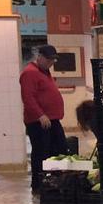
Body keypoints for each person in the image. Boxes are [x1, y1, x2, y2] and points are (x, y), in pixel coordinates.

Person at [20, 45, 67, 193]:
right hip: (39, 121)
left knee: (58, 150)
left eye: (53, 59)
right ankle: (38, 185)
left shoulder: (45, 72)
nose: (51, 62)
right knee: (42, 153)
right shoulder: (29, 73)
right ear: (39, 57)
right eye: (48, 59)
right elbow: (28, 98)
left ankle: (53, 183)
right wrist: (40, 115)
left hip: (51, 119)